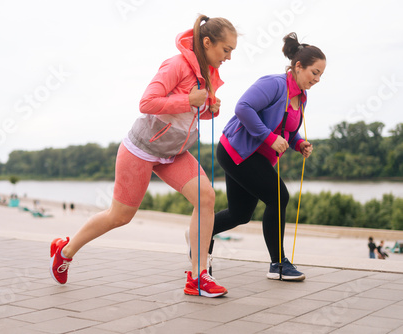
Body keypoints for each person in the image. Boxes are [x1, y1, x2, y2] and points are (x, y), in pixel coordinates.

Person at [50, 15, 237, 298]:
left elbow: (192, 113)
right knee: (120, 216)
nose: (229, 57)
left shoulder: (209, 73)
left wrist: (210, 107)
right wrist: (190, 99)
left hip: (174, 151)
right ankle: (65, 251)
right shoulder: (176, 64)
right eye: (226, 50)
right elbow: (147, 103)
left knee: (206, 197)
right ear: (207, 42)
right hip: (141, 149)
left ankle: (198, 276)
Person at [210, 32, 326, 281]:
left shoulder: (301, 98)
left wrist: (299, 143)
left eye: (321, 75)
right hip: (236, 151)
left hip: (255, 157)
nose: (317, 79)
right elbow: (243, 108)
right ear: (298, 66)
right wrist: (269, 138)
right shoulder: (274, 84)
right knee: (278, 196)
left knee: (240, 214)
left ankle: (200, 234)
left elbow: (287, 131)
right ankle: (278, 265)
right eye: (314, 72)